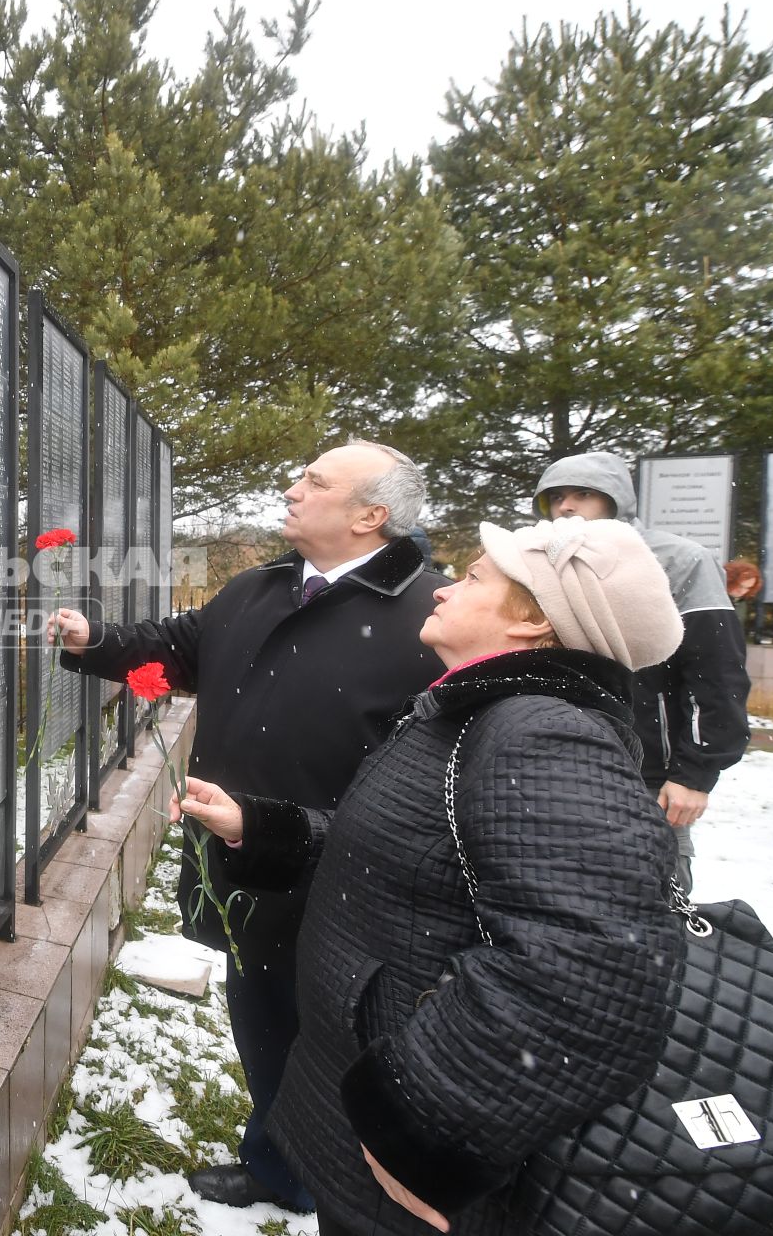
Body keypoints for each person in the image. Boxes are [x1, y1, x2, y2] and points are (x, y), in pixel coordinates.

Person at [174, 516, 683, 1236]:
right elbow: (405, 859)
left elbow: (599, 965)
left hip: (409, 1176)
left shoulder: (539, 733)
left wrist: (427, 1134)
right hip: (371, 1127)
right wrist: (260, 827)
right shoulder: (473, 713)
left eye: (474, 578)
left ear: (535, 618)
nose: (445, 591)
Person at [49, 441, 449, 1212]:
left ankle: (351, 1186)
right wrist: (95, 642)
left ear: (372, 515)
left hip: (353, 891)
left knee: (340, 1050)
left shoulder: (428, 618)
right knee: (264, 1028)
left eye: (314, 480)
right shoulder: (257, 589)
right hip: (245, 873)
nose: (292, 488)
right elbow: (175, 651)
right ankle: (279, 1166)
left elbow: (434, 786)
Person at [532, 453, 750, 892]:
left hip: (648, 773)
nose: (567, 506)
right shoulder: (538, 563)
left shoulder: (678, 559)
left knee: (652, 906)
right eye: (556, 497)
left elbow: (717, 672)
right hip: (554, 764)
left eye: (584, 494)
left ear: (616, 500)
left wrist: (696, 775)